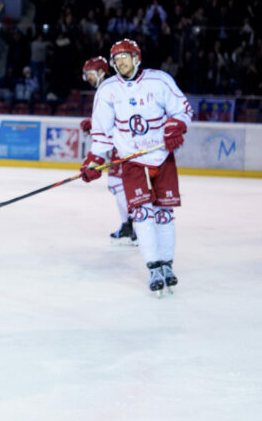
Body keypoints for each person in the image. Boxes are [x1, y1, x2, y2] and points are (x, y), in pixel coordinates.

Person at [80, 38, 193, 294]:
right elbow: (101, 133)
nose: (120, 61)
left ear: (137, 58)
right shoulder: (107, 90)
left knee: (164, 214)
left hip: (162, 157)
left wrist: (178, 124)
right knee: (142, 214)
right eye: (116, 58)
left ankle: (167, 265)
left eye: (124, 56)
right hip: (132, 160)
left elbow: (183, 109)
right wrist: (95, 160)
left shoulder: (160, 81)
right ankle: (153, 266)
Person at [79, 56, 135, 244]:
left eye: (90, 74)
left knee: (116, 183)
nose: (88, 78)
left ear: (101, 71)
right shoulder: (109, 87)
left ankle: (131, 227)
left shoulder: (109, 87)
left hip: (124, 143)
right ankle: (131, 226)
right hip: (121, 142)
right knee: (120, 185)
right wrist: (94, 126)